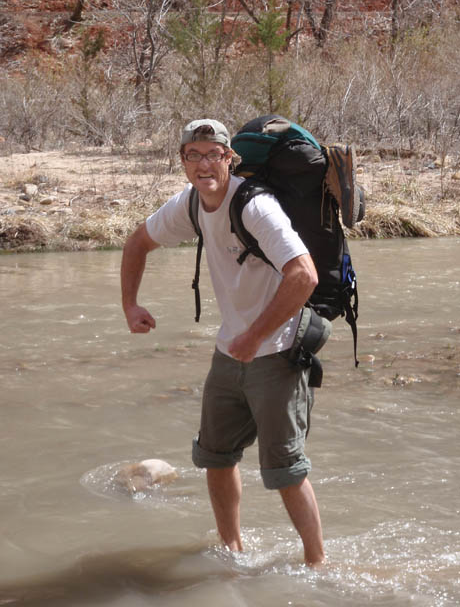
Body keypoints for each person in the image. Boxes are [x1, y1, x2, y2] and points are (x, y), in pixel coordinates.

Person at [120, 118, 329, 566]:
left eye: (213, 153)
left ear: (230, 159)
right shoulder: (190, 204)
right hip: (230, 351)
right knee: (215, 457)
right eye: (193, 154)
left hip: (277, 351)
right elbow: (136, 242)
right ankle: (232, 550)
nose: (203, 163)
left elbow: (304, 275)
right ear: (182, 162)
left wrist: (256, 336)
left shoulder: (256, 207)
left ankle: (317, 563)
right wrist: (131, 305)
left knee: (285, 471)